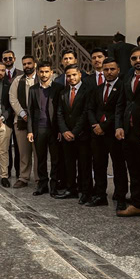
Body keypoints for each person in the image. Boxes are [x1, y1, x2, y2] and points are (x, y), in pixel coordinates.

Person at [114, 46, 140, 222]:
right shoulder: (128, 76)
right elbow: (121, 104)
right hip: (128, 131)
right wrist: (119, 126)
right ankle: (137, 204)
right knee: (134, 169)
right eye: (134, 58)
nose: (138, 61)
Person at [87, 57, 126, 209]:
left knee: (118, 166)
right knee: (98, 165)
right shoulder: (98, 89)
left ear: (118, 70)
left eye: (112, 69)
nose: (109, 72)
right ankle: (100, 195)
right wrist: (95, 125)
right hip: (97, 133)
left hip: (113, 132)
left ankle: (120, 196)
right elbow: (90, 108)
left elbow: (119, 110)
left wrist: (103, 126)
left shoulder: (123, 87)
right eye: (106, 69)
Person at [55, 65, 94, 202]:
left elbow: (85, 113)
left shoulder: (87, 91)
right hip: (67, 135)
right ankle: (71, 189)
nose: (71, 78)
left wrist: (74, 132)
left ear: (80, 75)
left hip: (82, 134)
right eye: (68, 76)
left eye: (74, 75)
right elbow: (59, 113)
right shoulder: (63, 92)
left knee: (84, 165)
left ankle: (86, 192)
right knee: (69, 164)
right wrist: (64, 130)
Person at [27, 61, 63, 197]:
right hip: (39, 129)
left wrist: (60, 130)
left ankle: (54, 186)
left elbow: (61, 110)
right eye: (41, 72)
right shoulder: (33, 89)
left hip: (54, 129)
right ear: (38, 73)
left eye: (47, 71)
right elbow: (30, 111)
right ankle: (42, 185)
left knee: (55, 159)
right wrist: (30, 131)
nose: (44, 74)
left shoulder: (59, 88)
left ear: (51, 73)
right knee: (40, 159)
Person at [9, 54, 39, 189]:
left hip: (38, 122)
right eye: (24, 64)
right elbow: (12, 98)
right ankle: (23, 177)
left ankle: (39, 178)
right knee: (23, 152)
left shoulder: (41, 78)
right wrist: (22, 113)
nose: (27, 66)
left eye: (29, 63)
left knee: (38, 152)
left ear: (35, 64)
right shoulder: (18, 80)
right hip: (21, 120)